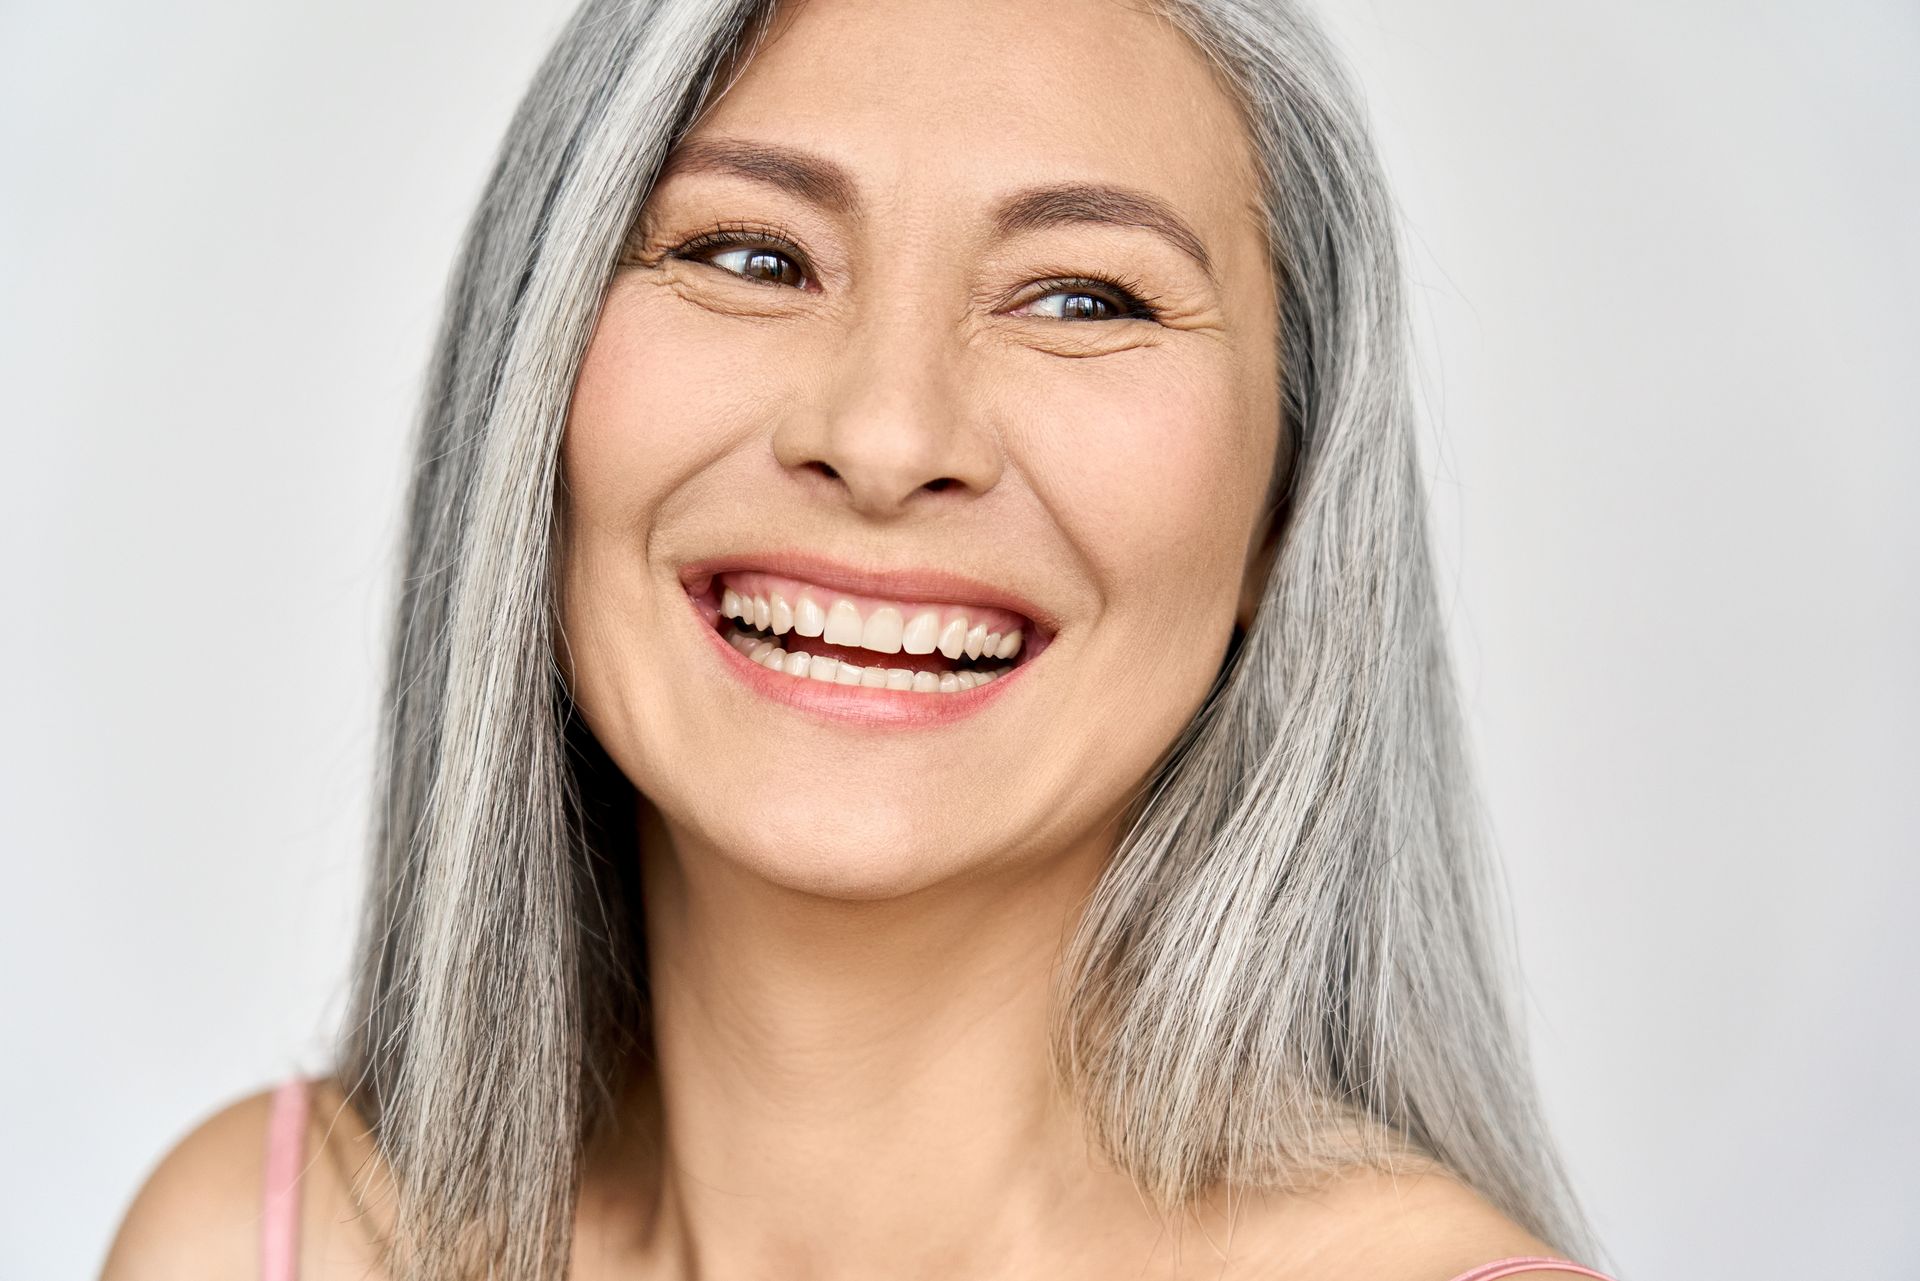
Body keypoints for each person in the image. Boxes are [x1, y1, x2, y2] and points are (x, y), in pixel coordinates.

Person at [102, 1, 1623, 1278]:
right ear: (534, 382)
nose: (887, 437)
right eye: (752, 256)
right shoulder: (254, 1243)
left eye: (1084, 295)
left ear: (1287, 508)